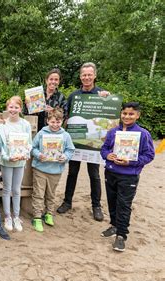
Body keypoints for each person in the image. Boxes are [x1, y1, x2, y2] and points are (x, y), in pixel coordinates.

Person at [56, 62, 110, 221]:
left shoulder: (103, 95)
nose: (86, 77)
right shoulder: (74, 96)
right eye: (84, 75)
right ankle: (67, 202)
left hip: (94, 144)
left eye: (89, 74)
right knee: (72, 173)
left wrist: (108, 99)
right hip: (76, 141)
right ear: (80, 77)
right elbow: (66, 118)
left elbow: (110, 117)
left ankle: (96, 206)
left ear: (94, 75)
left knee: (94, 175)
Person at [100, 102, 155, 252]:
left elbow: (149, 155)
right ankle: (114, 225)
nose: (127, 116)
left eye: (131, 114)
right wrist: (108, 156)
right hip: (111, 172)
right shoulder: (113, 132)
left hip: (129, 176)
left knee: (123, 205)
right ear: (121, 114)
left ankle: (121, 235)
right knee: (111, 201)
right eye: (124, 113)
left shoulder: (143, 134)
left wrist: (130, 162)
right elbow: (104, 149)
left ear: (138, 115)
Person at [31, 109, 75, 232]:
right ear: (47, 121)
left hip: (55, 171)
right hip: (40, 169)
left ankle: (49, 214)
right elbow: (33, 148)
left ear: (62, 121)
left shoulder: (65, 135)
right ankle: (37, 217)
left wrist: (65, 157)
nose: (55, 124)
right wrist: (39, 155)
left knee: (51, 194)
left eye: (58, 122)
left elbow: (70, 150)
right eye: (52, 122)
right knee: (38, 193)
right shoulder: (41, 133)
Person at [0, 96, 32, 232]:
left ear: (20, 108)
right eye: (11, 107)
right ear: (7, 108)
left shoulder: (25, 125)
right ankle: (7, 216)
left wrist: (25, 153)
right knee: (6, 189)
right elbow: (0, 145)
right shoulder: (2, 125)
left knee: (16, 189)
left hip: (20, 161)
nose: (13, 110)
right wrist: (7, 157)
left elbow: (29, 143)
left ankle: (16, 216)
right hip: (7, 161)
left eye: (16, 107)